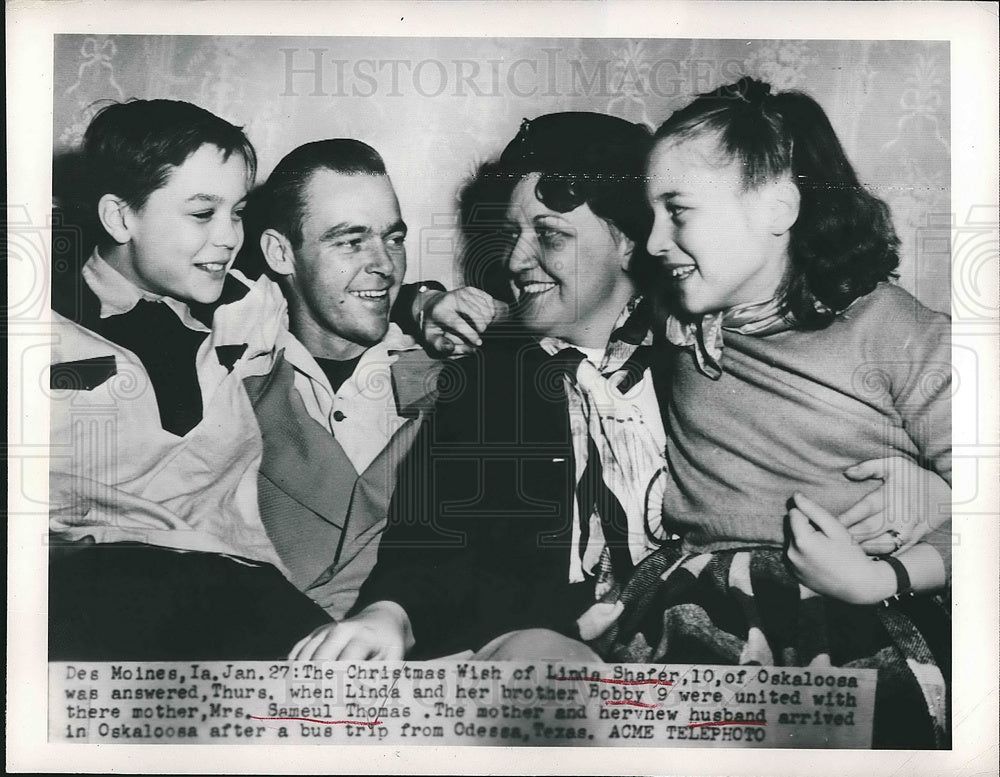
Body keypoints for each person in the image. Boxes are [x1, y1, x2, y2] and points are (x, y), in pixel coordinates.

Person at [599, 78, 951, 748]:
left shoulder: (892, 328)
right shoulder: (673, 312)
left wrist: (896, 557)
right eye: (650, 216)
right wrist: (428, 303)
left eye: (678, 211)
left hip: (855, 608)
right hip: (692, 603)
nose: (652, 242)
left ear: (778, 208)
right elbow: (544, 311)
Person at [290, 112, 670, 661]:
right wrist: (388, 615)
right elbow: (434, 538)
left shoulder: (698, 358)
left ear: (632, 242)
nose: (516, 260)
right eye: (513, 234)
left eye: (549, 235)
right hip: (546, 648)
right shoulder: (487, 374)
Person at [48, 99, 330, 660]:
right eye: (202, 214)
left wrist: (426, 303)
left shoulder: (249, 307)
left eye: (238, 212)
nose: (229, 237)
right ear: (120, 217)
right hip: (84, 585)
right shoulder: (40, 326)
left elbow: (342, 299)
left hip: (233, 577)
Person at [237, 139, 446, 620]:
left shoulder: (458, 383)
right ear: (280, 253)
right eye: (351, 242)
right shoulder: (227, 386)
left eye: (393, 239)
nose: (385, 266)